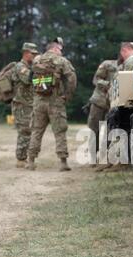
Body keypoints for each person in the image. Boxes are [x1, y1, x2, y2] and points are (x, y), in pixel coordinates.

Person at [26, 40, 77, 172]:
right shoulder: (61, 61)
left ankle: (30, 161)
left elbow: (30, 78)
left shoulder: (37, 60)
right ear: (55, 49)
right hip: (55, 102)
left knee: (36, 131)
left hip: (38, 101)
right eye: (60, 49)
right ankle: (63, 162)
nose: (61, 51)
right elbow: (72, 79)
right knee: (59, 132)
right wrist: (67, 95)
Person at [12, 42, 39, 168]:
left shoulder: (29, 67)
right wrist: (36, 67)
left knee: (30, 130)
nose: (34, 56)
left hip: (30, 104)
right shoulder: (20, 67)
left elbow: (38, 82)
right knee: (24, 131)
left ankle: (26, 156)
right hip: (21, 105)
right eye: (33, 54)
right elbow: (28, 79)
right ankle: (21, 159)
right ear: (26, 53)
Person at [87, 59, 118, 156]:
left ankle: (105, 156)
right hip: (99, 101)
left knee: (110, 131)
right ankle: (93, 155)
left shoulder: (131, 65)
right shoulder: (108, 64)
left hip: (114, 104)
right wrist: (108, 85)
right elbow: (96, 80)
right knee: (94, 128)